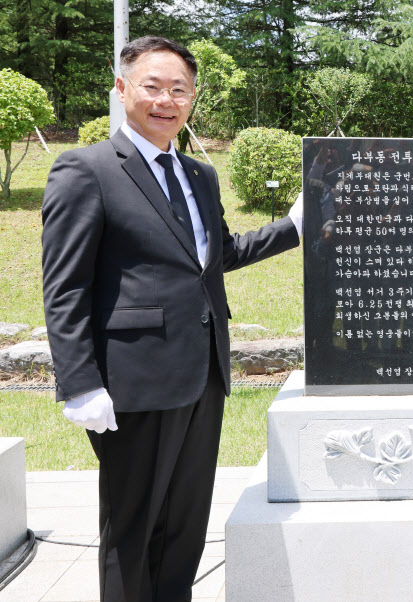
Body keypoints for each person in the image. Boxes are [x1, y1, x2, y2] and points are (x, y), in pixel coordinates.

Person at [41, 36, 302, 601]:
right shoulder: (85, 170)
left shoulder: (198, 175)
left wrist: (294, 226)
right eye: (152, 86)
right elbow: (65, 288)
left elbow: (219, 254)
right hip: (133, 382)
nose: (166, 100)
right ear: (122, 89)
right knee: (132, 530)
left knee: (184, 525)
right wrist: (80, 385)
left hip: (204, 375)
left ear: (192, 97)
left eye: (179, 89)